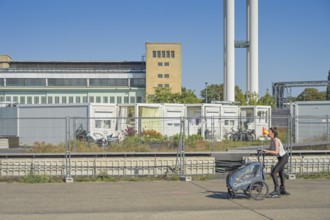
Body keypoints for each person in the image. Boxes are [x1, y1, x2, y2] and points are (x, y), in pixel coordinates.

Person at [262, 127, 290, 196]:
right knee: (281, 173)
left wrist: (267, 151)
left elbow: (276, 152)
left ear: (273, 133)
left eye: (269, 132)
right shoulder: (272, 140)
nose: (267, 133)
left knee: (273, 173)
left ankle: (276, 190)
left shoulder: (276, 140)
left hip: (284, 158)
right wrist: (263, 150)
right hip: (280, 158)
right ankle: (282, 189)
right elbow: (270, 149)